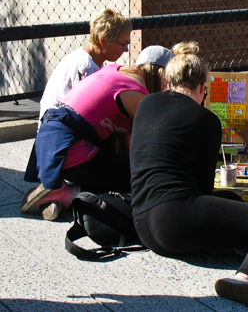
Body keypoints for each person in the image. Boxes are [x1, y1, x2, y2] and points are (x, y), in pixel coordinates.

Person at [129, 42, 248, 311]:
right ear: (201, 87)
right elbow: (202, 188)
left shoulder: (146, 104)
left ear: (168, 81)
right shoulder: (205, 119)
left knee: (231, 199)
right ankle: (245, 276)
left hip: (142, 222)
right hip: (177, 223)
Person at [21, 45, 172, 221]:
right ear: (160, 74)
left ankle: (53, 187)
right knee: (132, 183)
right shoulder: (137, 95)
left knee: (116, 170)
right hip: (71, 148)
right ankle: (65, 194)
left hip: (50, 142)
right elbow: (142, 145)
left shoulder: (113, 70)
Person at [38, 8, 132, 121]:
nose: (126, 49)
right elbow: (86, 112)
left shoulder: (88, 58)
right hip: (60, 130)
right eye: (123, 44)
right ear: (103, 41)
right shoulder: (86, 66)